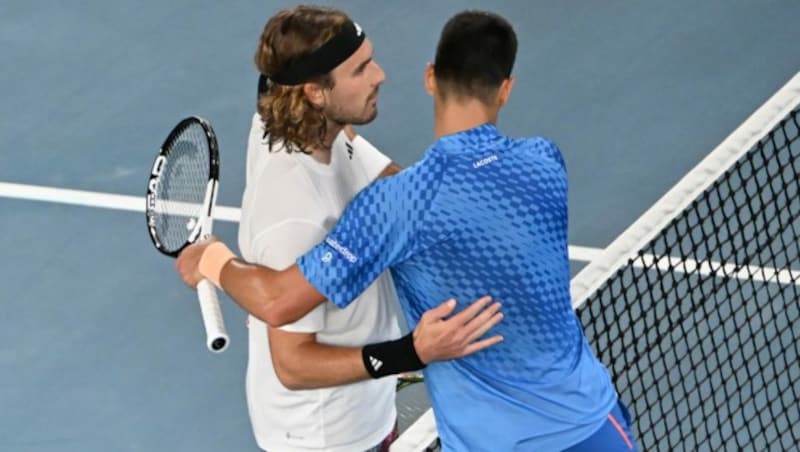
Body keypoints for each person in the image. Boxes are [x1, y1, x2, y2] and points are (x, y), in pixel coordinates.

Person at [178, 9, 638, 452]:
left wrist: (213, 261)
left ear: (431, 77)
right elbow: (281, 316)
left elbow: (384, 189)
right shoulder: (544, 159)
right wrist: (215, 260)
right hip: (592, 423)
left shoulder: (390, 201)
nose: (380, 75)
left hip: (472, 437)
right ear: (506, 89)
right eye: (361, 69)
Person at [229, 6, 503, 452]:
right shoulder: (294, 216)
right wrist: (408, 353)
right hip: (330, 438)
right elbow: (293, 364)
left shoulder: (303, 120)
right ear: (316, 92)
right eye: (360, 69)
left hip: (366, 407)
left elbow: (375, 169)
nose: (380, 75)